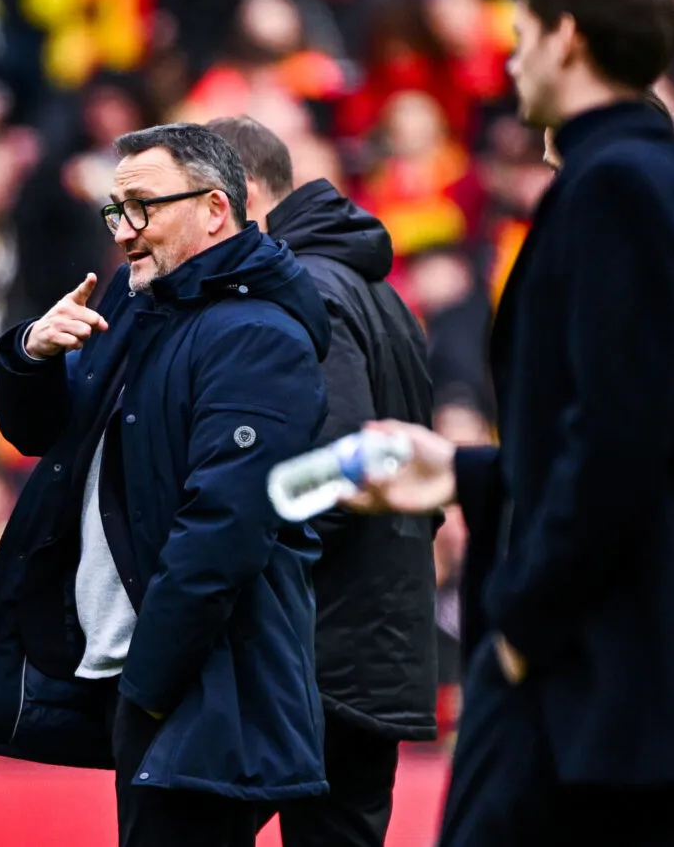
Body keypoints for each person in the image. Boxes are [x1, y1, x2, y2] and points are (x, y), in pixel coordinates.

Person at [346, 0, 674, 845]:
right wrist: (462, 470)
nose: (510, 54)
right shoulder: (626, 177)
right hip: (596, 672)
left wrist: (525, 621)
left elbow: (622, 440)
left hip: (594, 683)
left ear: (567, 37)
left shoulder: (619, 184)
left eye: (523, 33)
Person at [0, 123, 331, 847]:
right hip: (149, 681)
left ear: (216, 208)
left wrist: (148, 684)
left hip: (206, 691)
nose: (124, 231)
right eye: (115, 212)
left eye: (143, 207)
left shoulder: (258, 335)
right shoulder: (135, 300)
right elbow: (39, 438)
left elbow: (222, 531)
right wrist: (31, 354)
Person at [205, 116, 437, 847]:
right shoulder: (373, 289)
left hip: (314, 647)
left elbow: (336, 469)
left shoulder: (306, 290)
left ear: (233, 198)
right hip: (371, 638)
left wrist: (223, 550)